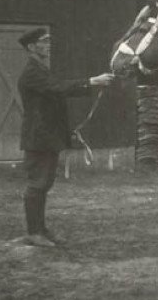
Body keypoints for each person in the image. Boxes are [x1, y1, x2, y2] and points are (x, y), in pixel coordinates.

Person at [17, 28, 114, 247]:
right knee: (37, 184)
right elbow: (58, 88)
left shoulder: (41, 69)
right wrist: (91, 81)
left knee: (44, 183)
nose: (48, 43)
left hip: (45, 137)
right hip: (38, 138)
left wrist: (93, 84)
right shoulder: (32, 72)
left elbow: (59, 89)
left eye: (49, 39)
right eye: (43, 41)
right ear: (32, 47)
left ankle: (40, 229)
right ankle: (33, 232)